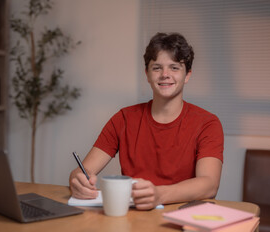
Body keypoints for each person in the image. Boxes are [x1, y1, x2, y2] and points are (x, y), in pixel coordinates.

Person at [69, 32, 224, 210]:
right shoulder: (123, 119)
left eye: (174, 67)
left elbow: (209, 184)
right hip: (131, 217)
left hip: (181, 220)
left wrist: (159, 195)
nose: (165, 74)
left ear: (187, 75)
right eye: (157, 68)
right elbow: (84, 170)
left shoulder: (207, 123)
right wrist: (77, 180)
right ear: (147, 74)